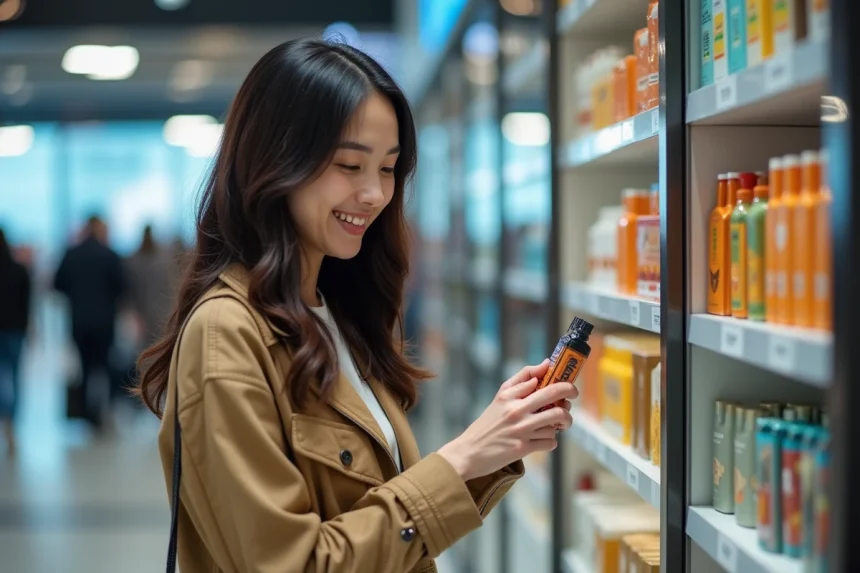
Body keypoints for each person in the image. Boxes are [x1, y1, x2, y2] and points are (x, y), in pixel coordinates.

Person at [135, 38, 577, 573]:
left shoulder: (336, 311)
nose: (374, 194)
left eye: (388, 169)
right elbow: (293, 564)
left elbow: (382, 521)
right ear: (275, 160)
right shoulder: (226, 334)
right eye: (350, 165)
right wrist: (458, 460)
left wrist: (496, 443)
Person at [54, 215, 126, 428]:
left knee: (84, 368)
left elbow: (58, 284)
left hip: (79, 321)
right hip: (105, 321)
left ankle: (87, 412)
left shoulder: (71, 254)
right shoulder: (110, 255)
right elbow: (121, 287)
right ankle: (104, 408)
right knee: (103, 365)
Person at [0, 228, 31, 456]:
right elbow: (27, 304)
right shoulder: (19, 270)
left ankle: (5, 416)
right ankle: (11, 423)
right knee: (15, 376)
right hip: (15, 330)